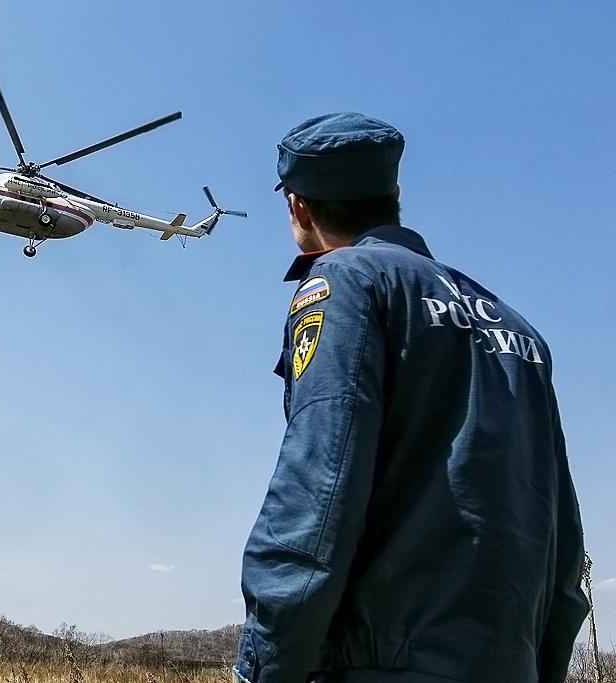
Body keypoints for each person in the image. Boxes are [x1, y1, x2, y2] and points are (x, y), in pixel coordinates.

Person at [233, 113, 588, 683]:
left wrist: (264, 667)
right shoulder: (520, 331)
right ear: (394, 194)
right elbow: (561, 540)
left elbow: (317, 494)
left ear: (298, 207)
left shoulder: (344, 283)